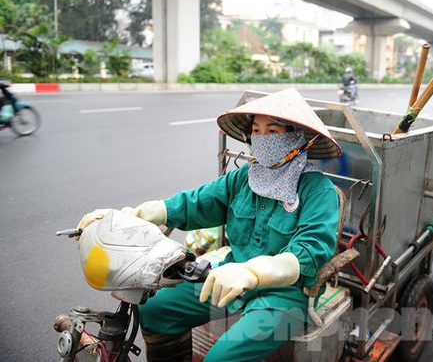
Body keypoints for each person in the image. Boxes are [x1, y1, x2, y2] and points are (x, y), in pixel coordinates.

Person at [76, 88, 342, 361]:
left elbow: (311, 251)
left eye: (273, 132)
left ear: (296, 138)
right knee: (154, 311)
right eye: (257, 131)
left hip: (285, 297)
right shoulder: (242, 179)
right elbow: (192, 203)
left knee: (221, 358)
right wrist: (127, 215)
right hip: (228, 276)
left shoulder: (318, 190)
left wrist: (252, 273)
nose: (262, 139)